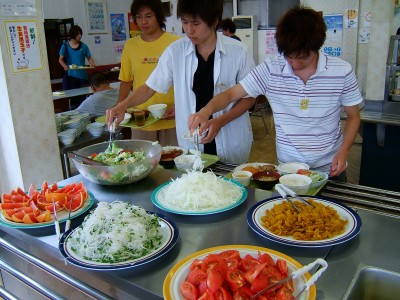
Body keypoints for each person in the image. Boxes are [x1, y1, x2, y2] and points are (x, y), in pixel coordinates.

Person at [189, 6, 363, 179]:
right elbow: (230, 95)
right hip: (289, 172)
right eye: (289, 56)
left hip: (330, 168)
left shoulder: (341, 71)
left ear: (317, 47)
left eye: (302, 57)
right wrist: (206, 111)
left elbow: (353, 116)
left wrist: (344, 151)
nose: (294, 63)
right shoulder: (271, 69)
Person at [106, 0, 256, 164]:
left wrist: (221, 121)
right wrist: (122, 105)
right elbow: (150, 87)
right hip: (192, 143)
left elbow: (249, 97)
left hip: (230, 139)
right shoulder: (176, 51)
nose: (189, 30)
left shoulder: (239, 52)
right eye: (185, 22)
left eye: (196, 23)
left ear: (214, 21)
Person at [117, 0, 180, 146]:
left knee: (173, 162)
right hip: (141, 118)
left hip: (171, 117)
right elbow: (126, 81)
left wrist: (180, 106)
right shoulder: (130, 45)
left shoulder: (176, 43)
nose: (143, 21)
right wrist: (120, 107)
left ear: (158, 16)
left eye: (148, 16)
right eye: (139, 17)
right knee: (141, 163)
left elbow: (185, 80)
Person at [59, 25, 96, 90]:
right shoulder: (65, 46)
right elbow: (60, 59)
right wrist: (64, 66)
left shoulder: (84, 46)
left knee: (83, 96)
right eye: (78, 34)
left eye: (80, 34)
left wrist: (93, 64)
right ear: (73, 34)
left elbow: (89, 57)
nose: (80, 36)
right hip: (70, 76)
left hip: (82, 76)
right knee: (73, 96)